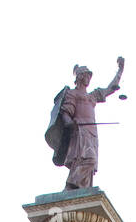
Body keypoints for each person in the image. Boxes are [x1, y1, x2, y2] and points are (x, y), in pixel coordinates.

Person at [45, 57, 125, 189]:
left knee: (89, 163)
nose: (88, 78)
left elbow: (110, 88)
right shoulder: (73, 94)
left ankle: (81, 188)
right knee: (86, 159)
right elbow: (66, 112)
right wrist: (69, 122)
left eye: (89, 76)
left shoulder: (92, 96)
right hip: (80, 130)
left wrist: (120, 70)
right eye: (86, 75)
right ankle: (71, 185)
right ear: (80, 77)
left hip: (92, 132)